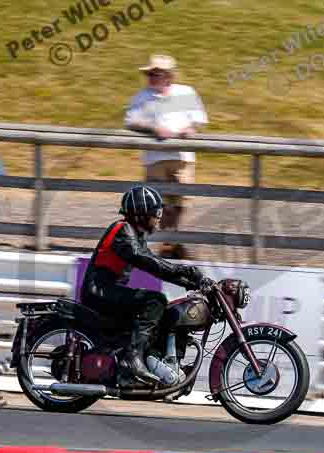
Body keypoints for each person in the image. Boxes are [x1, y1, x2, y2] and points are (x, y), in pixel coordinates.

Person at [81, 185, 204, 385]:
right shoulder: (122, 230)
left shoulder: (135, 235)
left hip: (109, 291)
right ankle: (131, 361)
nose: (158, 219)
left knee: (162, 309)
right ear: (140, 214)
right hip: (99, 292)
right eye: (156, 214)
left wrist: (192, 282)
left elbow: (155, 265)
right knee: (155, 300)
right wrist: (184, 270)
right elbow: (144, 259)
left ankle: (149, 359)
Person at [124, 54, 209, 259]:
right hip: (155, 159)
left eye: (156, 74)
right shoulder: (142, 96)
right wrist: (153, 128)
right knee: (158, 204)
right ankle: (169, 245)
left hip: (182, 157)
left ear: (168, 76)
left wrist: (190, 128)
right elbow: (130, 121)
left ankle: (171, 243)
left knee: (180, 203)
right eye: (150, 74)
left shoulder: (186, 92)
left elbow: (199, 119)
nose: (151, 77)